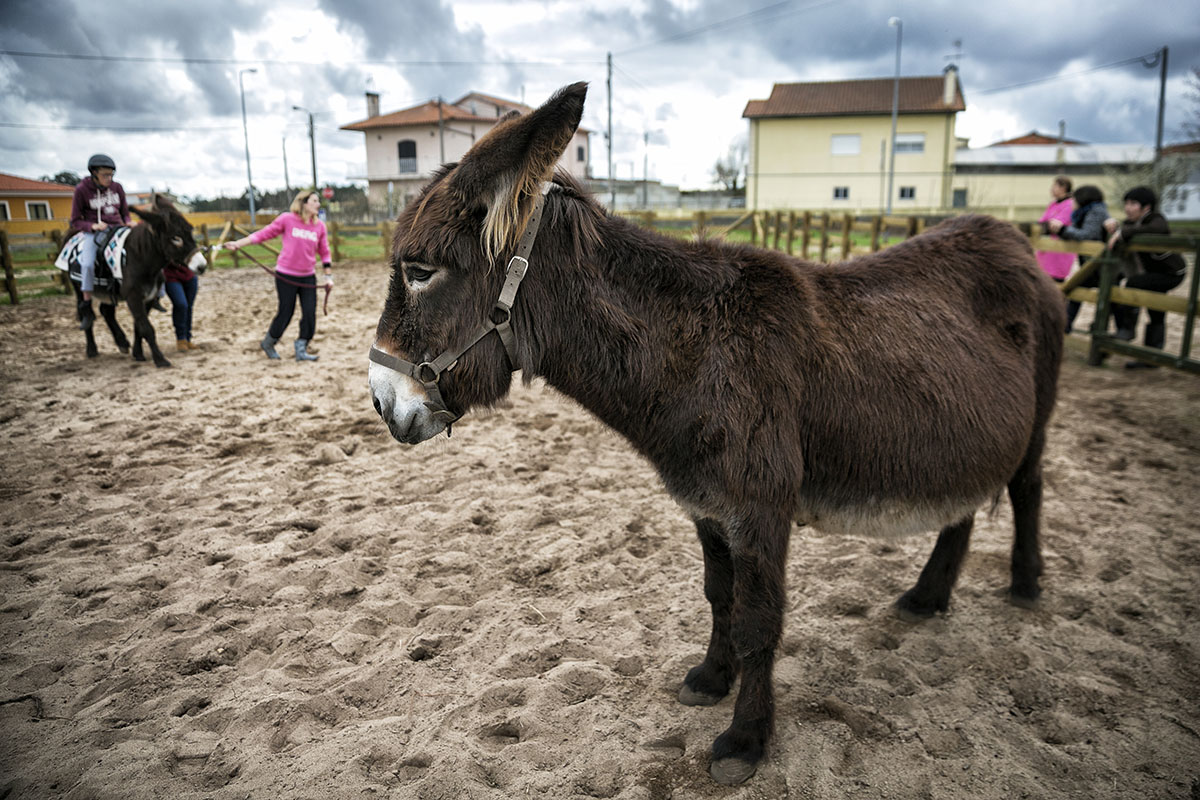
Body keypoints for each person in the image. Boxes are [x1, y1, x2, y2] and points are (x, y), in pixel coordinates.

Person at [224, 190, 333, 361]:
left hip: (308, 276)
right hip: (286, 275)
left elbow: (325, 252)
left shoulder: (319, 226)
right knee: (285, 311)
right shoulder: (287, 219)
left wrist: (328, 277)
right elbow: (263, 233)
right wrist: (238, 244)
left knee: (310, 312)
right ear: (303, 203)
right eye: (314, 201)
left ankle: (301, 347)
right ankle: (269, 342)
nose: (318, 204)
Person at [1104, 186, 1188, 369]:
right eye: (1126, 203)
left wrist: (1122, 232)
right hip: (1155, 273)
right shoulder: (1131, 223)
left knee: (1134, 284)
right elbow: (1121, 231)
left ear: (1146, 207)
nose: (1127, 207)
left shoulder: (1155, 219)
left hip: (1172, 273)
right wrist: (1114, 228)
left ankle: (1127, 329)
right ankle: (1151, 357)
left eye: (1133, 203)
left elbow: (1158, 228)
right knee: (1156, 311)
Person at [69, 154, 131, 328]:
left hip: (118, 228)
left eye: (111, 175)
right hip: (94, 232)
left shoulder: (117, 187)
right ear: (94, 173)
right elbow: (75, 220)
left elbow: (125, 211)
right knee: (87, 264)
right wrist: (93, 226)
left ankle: (154, 293)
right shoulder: (81, 190)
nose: (109, 179)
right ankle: (87, 305)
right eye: (105, 175)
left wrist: (128, 221)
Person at [1047, 184, 1110, 334]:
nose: (1072, 204)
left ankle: (1097, 328)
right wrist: (1063, 231)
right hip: (1092, 264)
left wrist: (1062, 230)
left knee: (1109, 298)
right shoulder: (1084, 213)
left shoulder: (1096, 212)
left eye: (1074, 200)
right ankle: (1067, 326)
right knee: (1077, 290)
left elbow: (1086, 235)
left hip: (1101, 265)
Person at [1036, 175, 1075, 281]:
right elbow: (1041, 222)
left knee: (1055, 281)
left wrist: (1045, 226)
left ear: (1063, 187)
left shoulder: (1070, 204)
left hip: (1060, 250)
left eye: (1055, 186)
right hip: (1047, 249)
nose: (1052, 189)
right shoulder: (1053, 204)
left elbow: (1055, 225)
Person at [163, 257, 199, 351]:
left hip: (190, 276)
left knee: (189, 307)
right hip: (170, 276)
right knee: (181, 305)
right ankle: (181, 338)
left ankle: (187, 338)